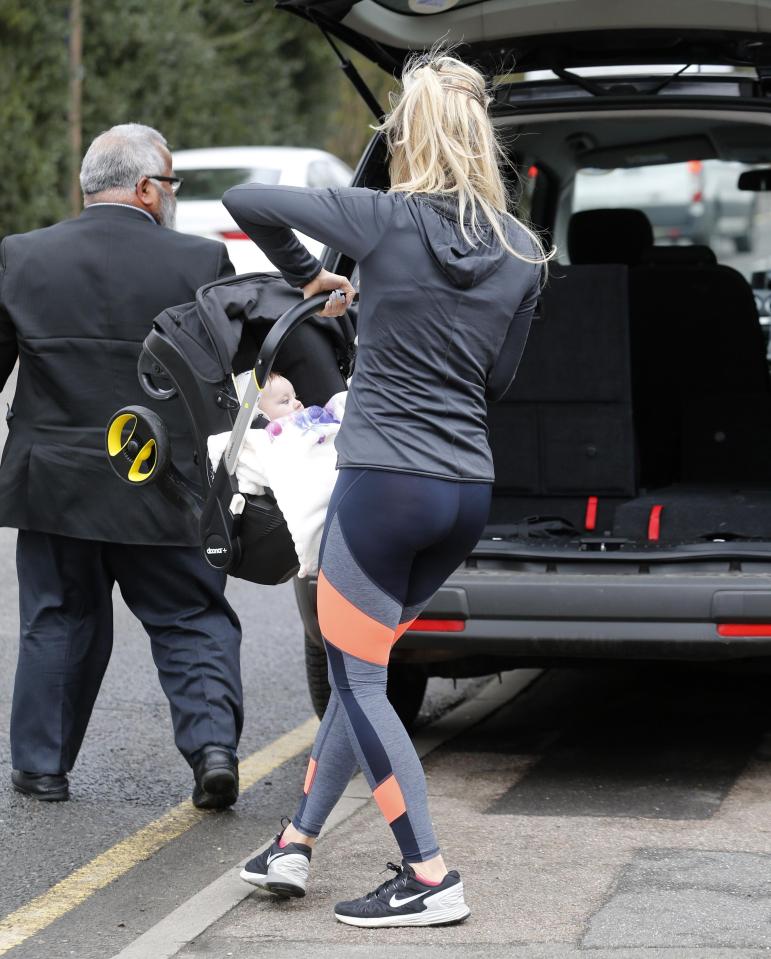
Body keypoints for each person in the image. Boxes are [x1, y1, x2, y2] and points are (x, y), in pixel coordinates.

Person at [223, 52, 551, 926]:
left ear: (410, 134)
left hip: (384, 486)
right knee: (360, 663)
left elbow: (245, 201)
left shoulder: (379, 217)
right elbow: (499, 378)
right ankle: (294, 841)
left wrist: (312, 277)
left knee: (358, 680)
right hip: (463, 492)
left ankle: (429, 874)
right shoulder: (524, 249)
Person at [0, 123, 243, 809]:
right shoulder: (199, 262)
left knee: (58, 617)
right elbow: (221, 376)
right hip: (162, 479)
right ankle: (212, 751)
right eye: (170, 184)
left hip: (55, 484)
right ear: (143, 188)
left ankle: (43, 767)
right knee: (190, 615)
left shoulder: (22, 256)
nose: (172, 197)